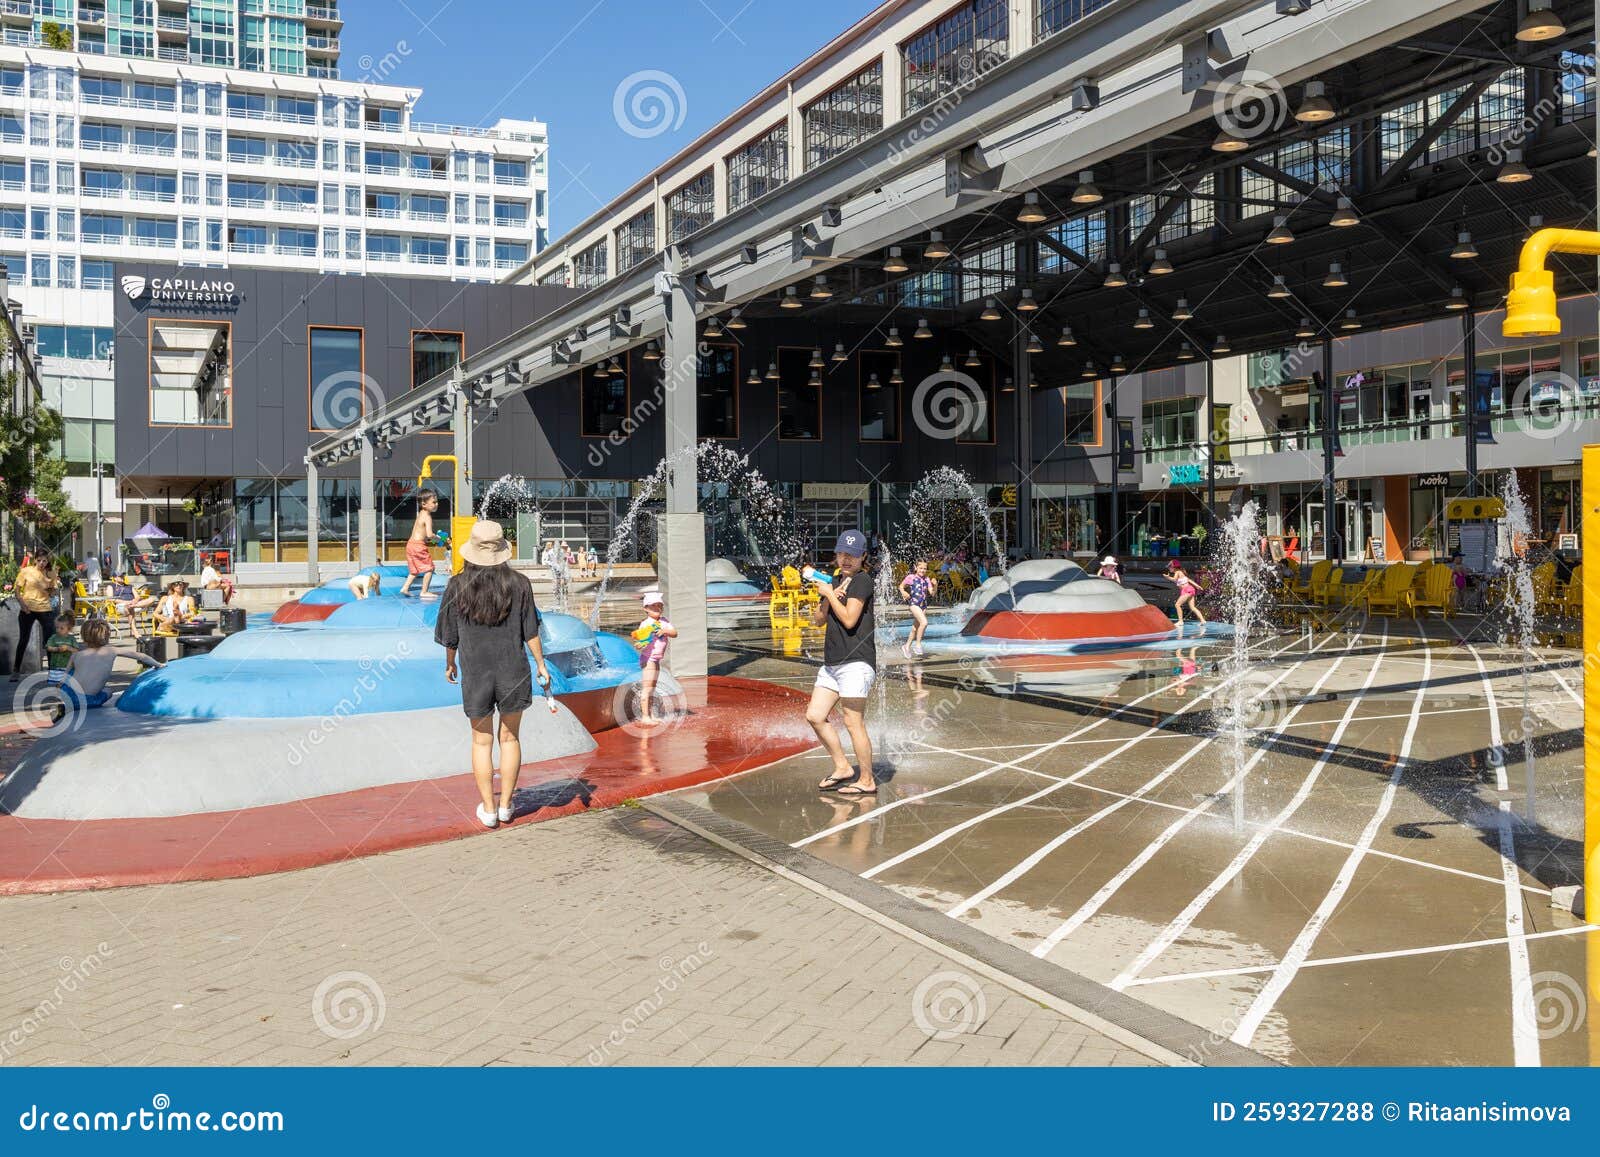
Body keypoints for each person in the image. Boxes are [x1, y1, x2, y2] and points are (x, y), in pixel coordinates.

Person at [434, 520, 552, 830]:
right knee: (510, 738)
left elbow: (450, 635)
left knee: (481, 742)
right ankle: (506, 806)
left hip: (476, 673)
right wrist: (541, 664)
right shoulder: (520, 583)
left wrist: (451, 663)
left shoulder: (456, 586)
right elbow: (531, 631)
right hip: (513, 670)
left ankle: (487, 809)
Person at [808, 529, 877, 797]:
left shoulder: (862, 581)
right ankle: (843, 767)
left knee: (852, 721)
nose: (845, 559)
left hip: (856, 661)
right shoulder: (835, 579)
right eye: (841, 554)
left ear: (863, 557)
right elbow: (818, 619)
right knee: (814, 716)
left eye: (852, 555)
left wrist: (831, 594)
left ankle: (867, 780)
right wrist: (827, 595)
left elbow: (849, 619)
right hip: (833, 662)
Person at [57, 617, 163, 713]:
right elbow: (141, 656)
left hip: (68, 695)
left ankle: (67, 705)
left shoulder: (76, 654)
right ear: (107, 636)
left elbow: (63, 679)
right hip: (88, 701)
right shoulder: (112, 650)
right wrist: (158, 664)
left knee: (71, 673)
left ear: (84, 636)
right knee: (109, 691)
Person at [632, 590, 677, 725]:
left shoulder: (664, 622)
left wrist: (664, 631)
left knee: (652, 687)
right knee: (647, 687)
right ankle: (645, 716)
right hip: (648, 659)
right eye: (654, 606)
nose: (658, 608)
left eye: (660, 606)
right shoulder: (646, 624)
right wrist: (639, 644)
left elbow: (674, 633)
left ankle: (650, 713)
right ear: (646, 608)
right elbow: (640, 641)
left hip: (656, 659)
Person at [10, 555, 57, 680]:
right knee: (23, 639)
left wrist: (51, 586)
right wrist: (22, 604)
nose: (41, 563)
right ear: (35, 560)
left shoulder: (50, 573)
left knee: (48, 641)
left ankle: (52, 672)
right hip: (27, 609)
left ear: (47, 561)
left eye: (44, 560)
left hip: (45, 609)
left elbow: (53, 593)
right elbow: (17, 590)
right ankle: (16, 670)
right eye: (39, 560)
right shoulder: (26, 571)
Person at [398, 489, 440, 600]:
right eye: (434, 502)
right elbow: (429, 534)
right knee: (429, 568)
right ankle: (424, 591)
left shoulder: (421, 513)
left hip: (410, 544)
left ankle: (405, 588)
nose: (437, 504)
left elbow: (421, 531)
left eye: (436, 502)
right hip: (418, 546)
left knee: (414, 570)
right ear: (424, 504)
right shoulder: (428, 516)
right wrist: (437, 538)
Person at [898, 559, 936, 658]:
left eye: (925, 568)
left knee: (915, 628)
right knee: (924, 623)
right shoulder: (911, 577)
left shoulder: (927, 579)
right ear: (916, 568)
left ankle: (906, 646)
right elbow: (901, 586)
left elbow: (932, 593)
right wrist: (904, 592)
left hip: (923, 605)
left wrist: (935, 585)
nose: (922, 570)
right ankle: (918, 645)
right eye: (920, 568)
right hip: (914, 604)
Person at [1168, 560, 1207, 630]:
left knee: (1177, 605)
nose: (1169, 568)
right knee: (1192, 607)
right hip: (1191, 589)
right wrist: (1197, 586)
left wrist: (1167, 577)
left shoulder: (1177, 572)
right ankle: (1202, 620)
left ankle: (1180, 621)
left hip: (1186, 590)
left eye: (1169, 567)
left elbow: (1174, 579)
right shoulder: (1182, 572)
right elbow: (1189, 580)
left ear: (1174, 567)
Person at [45, 613, 78, 683]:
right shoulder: (53, 637)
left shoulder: (72, 639)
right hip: (56, 666)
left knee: (67, 684)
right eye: (57, 627)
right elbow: (48, 647)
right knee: (56, 684)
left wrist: (68, 648)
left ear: (69, 629)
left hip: (68, 667)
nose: (58, 630)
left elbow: (76, 651)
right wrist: (56, 649)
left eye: (61, 628)